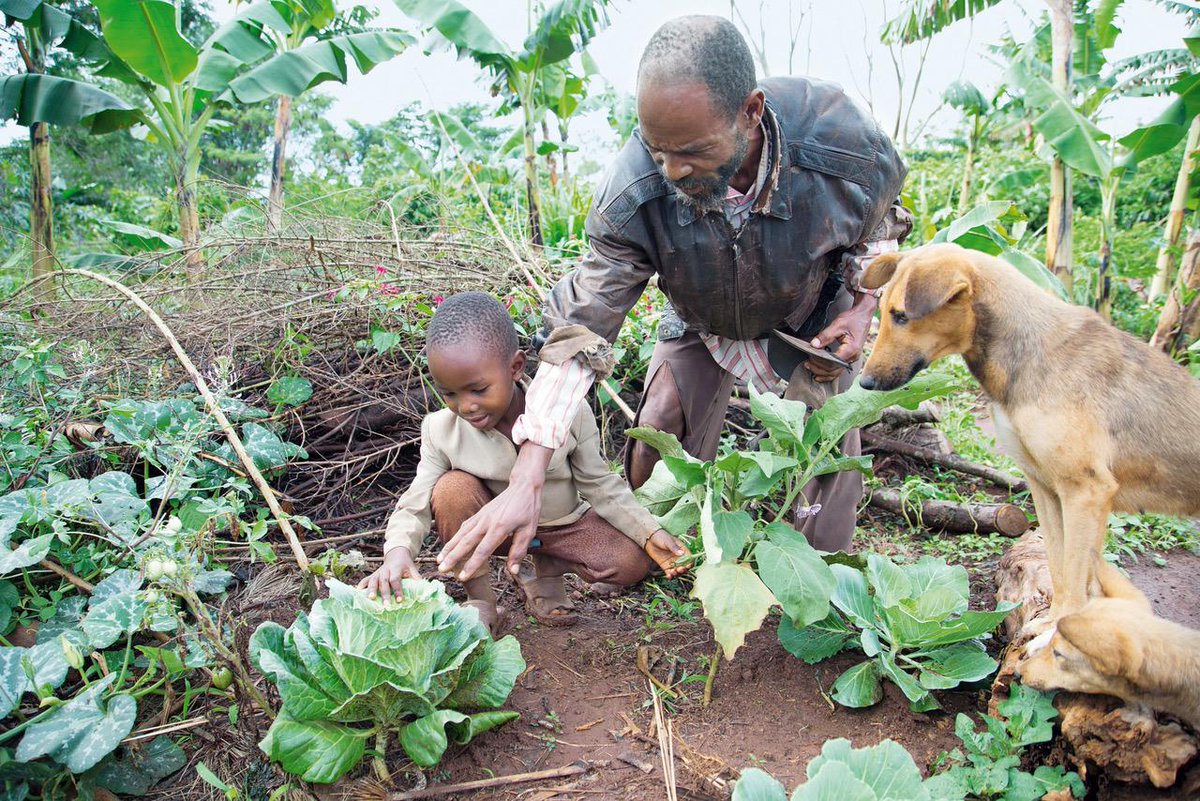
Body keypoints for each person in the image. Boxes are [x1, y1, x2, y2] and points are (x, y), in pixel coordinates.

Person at [435, 15, 911, 585]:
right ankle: (674, 562)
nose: (674, 171)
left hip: (809, 310)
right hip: (699, 310)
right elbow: (583, 326)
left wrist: (862, 310)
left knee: (824, 451)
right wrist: (529, 474)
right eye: (659, 150)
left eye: (692, 151)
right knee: (658, 430)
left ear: (751, 112)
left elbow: (879, 233)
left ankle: (820, 584)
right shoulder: (634, 189)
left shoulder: (843, 149)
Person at [358, 292, 689, 632]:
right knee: (450, 490)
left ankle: (547, 570)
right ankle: (482, 599)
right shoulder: (441, 430)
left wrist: (648, 531)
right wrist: (397, 552)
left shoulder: (568, 412)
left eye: (478, 389)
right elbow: (414, 503)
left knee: (629, 562)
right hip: (492, 534)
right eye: (450, 394)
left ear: (515, 367)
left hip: (561, 527)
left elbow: (600, 484)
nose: (466, 406)